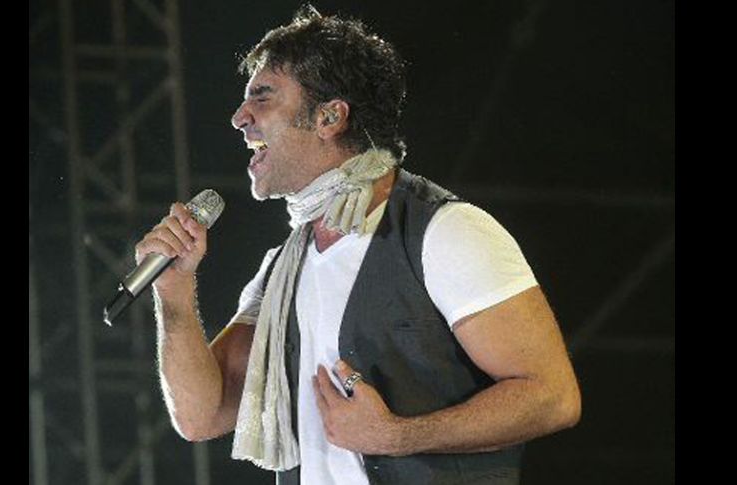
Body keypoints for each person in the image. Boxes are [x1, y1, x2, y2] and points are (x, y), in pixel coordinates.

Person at [135, 5, 581, 485]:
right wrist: (174, 294)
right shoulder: (282, 268)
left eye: (262, 97)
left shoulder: (445, 231)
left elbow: (552, 396)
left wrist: (396, 436)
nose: (239, 117)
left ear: (330, 116)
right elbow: (201, 416)